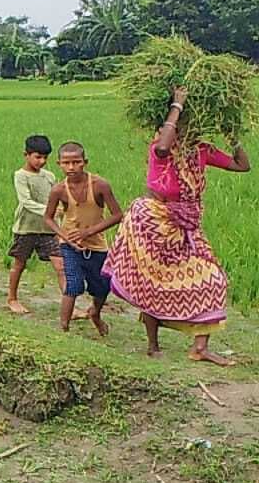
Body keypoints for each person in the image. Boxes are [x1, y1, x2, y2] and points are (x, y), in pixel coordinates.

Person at [104, 86, 250, 366]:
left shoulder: (201, 151)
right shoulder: (161, 148)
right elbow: (162, 146)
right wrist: (177, 104)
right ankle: (152, 345)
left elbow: (242, 166)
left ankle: (199, 348)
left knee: (213, 278)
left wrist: (233, 136)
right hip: (152, 221)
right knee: (152, 282)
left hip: (186, 225)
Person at [44, 141, 124, 335]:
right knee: (73, 284)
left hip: (96, 245)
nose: (71, 167)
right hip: (70, 244)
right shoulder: (59, 190)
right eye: (66, 163)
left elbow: (117, 215)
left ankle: (95, 314)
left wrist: (89, 232)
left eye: (76, 162)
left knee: (102, 287)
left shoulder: (99, 185)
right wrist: (65, 236)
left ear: (84, 162)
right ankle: (63, 327)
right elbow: (48, 217)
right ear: (59, 164)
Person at [7, 135, 65, 314]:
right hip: (26, 228)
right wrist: (50, 211)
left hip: (48, 229)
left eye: (45, 157)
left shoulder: (49, 176)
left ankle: (69, 305)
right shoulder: (21, 176)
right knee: (20, 263)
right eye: (37, 157)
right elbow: (26, 202)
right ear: (26, 154)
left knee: (61, 265)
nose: (42, 161)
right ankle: (12, 298)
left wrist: (59, 222)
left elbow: (57, 198)